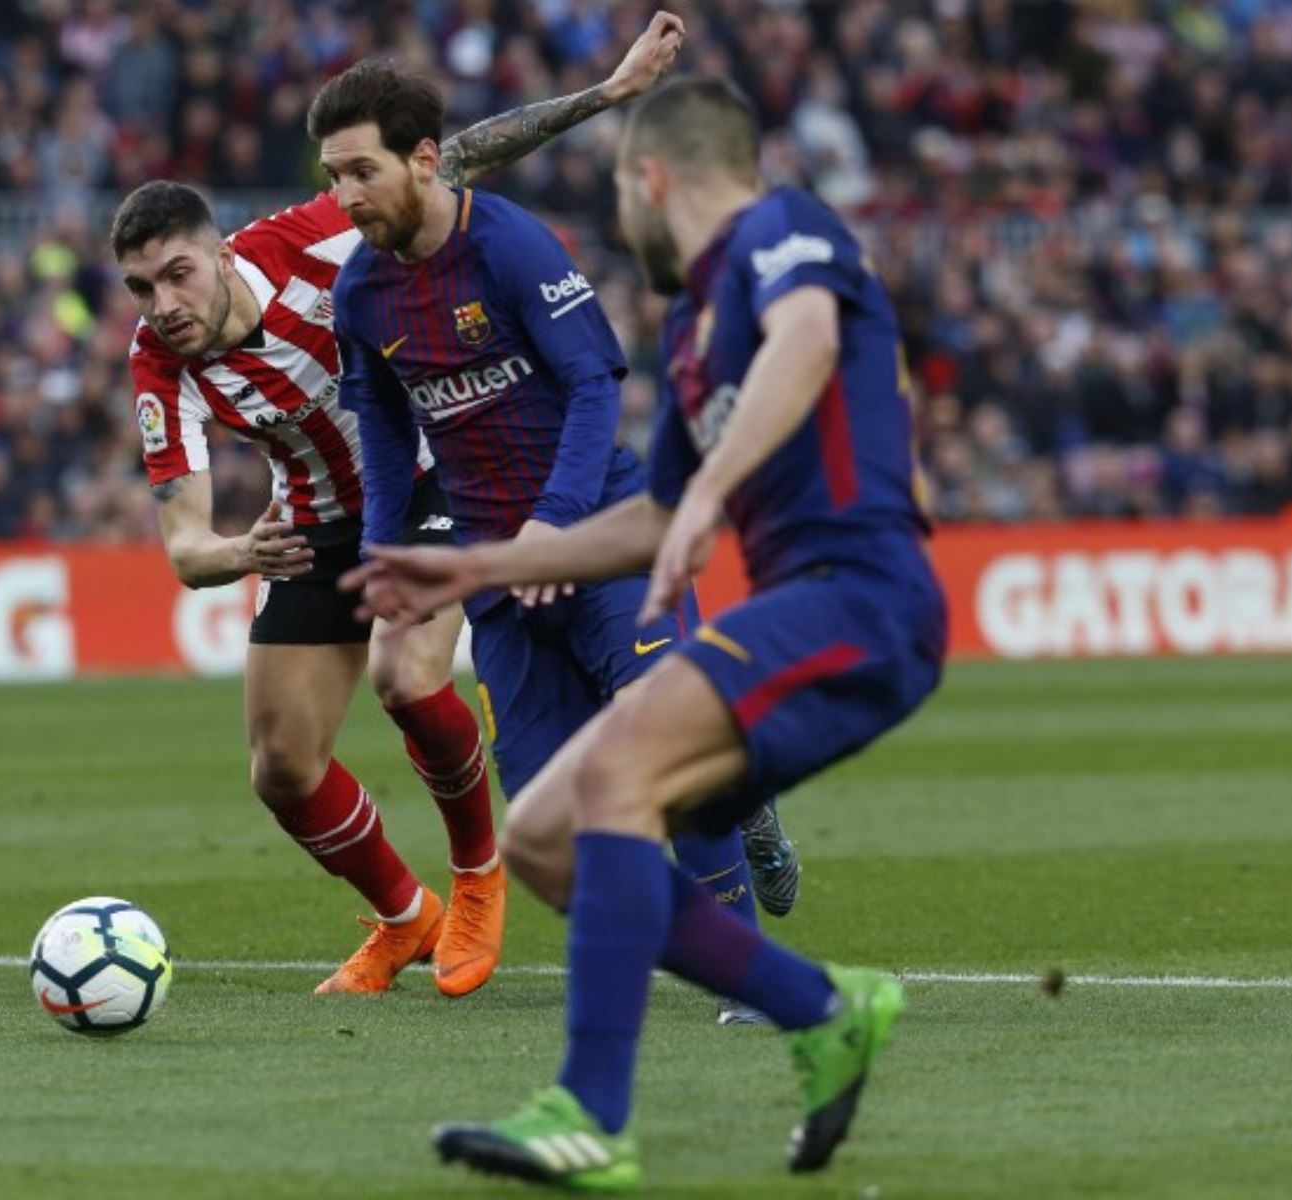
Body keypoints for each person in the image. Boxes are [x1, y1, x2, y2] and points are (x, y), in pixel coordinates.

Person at [345, 77, 948, 1190]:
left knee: (619, 774)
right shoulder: (690, 333)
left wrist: (714, 492)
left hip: (864, 597)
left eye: (619, 192)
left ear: (648, 179)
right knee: (547, 836)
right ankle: (821, 1008)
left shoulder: (785, 229)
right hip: (793, 612)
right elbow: (654, 519)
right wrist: (481, 564)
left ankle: (593, 1112)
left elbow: (810, 341)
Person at [112, 15, 688, 998]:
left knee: (409, 676)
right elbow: (185, 547)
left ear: (216, 252)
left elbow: (453, 156)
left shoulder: (311, 240)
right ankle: (404, 916)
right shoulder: (156, 365)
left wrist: (604, 95)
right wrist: (244, 552)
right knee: (281, 769)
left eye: (178, 273)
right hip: (304, 525)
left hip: (426, 475)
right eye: (141, 286)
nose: (164, 302)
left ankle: (475, 879)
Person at [310, 37, 784, 1027]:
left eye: (362, 170)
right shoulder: (361, 293)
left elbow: (594, 388)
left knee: (662, 747)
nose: (345, 195)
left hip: (603, 538)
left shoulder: (514, 246)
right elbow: (389, 439)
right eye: (332, 175)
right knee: (550, 814)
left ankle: (742, 962)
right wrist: (384, 556)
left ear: (425, 159)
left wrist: (553, 528)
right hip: (497, 571)